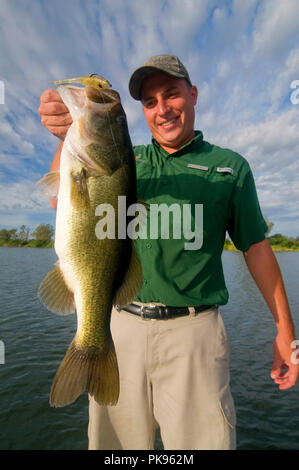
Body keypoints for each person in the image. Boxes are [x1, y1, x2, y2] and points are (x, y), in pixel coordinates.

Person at [39, 54, 298, 450]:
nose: (162, 109)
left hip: (195, 334)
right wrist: (65, 140)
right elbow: (66, 204)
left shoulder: (230, 168)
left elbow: (257, 248)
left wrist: (285, 330)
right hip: (118, 326)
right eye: (150, 102)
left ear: (192, 95)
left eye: (171, 94)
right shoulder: (129, 161)